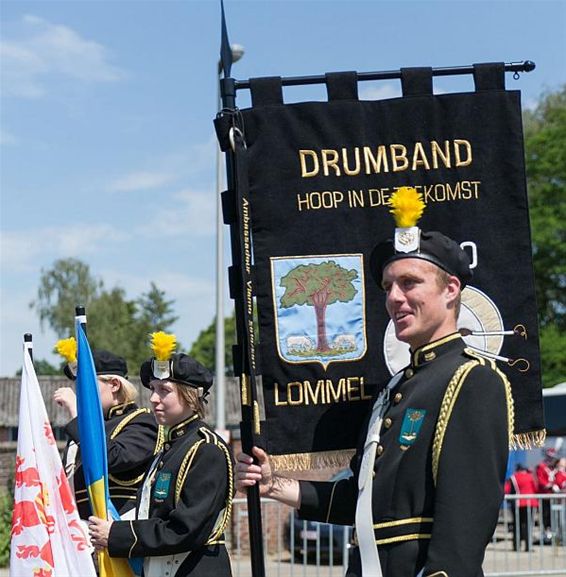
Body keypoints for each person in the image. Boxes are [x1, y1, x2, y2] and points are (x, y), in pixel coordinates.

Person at [236, 187, 516, 577]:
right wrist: (275, 485)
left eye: (409, 283)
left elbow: (465, 521)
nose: (395, 298)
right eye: (388, 287)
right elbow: (362, 502)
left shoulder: (471, 381)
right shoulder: (394, 388)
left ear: (450, 289)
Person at [88, 332, 234, 577]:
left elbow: (184, 529)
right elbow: (148, 508)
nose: (154, 398)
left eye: (164, 390)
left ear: (190, 395)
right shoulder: (170, 446)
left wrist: (116, 535)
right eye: (153, 389)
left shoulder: (206, 449)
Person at [54, 341, 164, 519]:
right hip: (78, 529)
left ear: (114, 385)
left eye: (86, 385)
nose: (80, 392)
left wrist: (78, 415)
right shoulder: (87, 427)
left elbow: (112, 458)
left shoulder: (143, 421)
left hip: (118, 528)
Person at [505, 464, 538, 551]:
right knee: (528, 525)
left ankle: (516, 546)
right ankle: (528, 546)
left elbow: (507, 490)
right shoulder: (531, 477)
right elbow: (536, 488)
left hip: (517, 503)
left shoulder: (513, 477)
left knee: (516, 525)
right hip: (530, 503)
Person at [535, 447, 559, 541]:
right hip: (545, 496)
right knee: (545, 515)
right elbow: (541, 480)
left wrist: (556, 485)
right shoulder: (541, 467)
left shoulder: (555, 468)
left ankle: (554, 532)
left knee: (555, 515)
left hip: (555, 496)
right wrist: (550, 486)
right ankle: (546, 532)